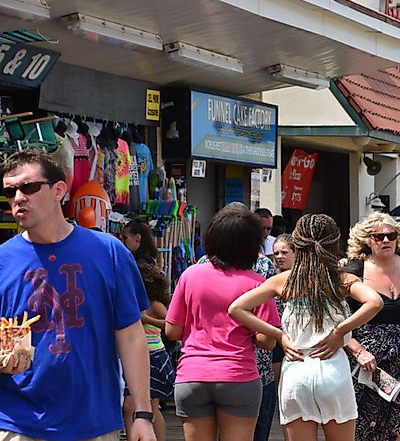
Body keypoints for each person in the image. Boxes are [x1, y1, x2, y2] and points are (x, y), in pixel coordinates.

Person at [0, 149, 154, 441]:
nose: (19, 197)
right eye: (10, 191)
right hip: (17, 422)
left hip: (93, 421)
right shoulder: (3, 261)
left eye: (29, 187)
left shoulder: (109, 252)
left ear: (59, 190)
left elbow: (131, 335)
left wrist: (142, 413)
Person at [229, 213, 383, 441]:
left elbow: (236, 308)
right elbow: (375, 302)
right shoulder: (341, 280)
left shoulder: (284, 280)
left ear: (298, 243)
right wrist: (339, 331)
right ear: (333, 242)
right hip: (333, 372)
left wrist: (279, 335)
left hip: (296, 371)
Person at [165, 203, 280, 441]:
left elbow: (172, 331)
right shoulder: (258, 284)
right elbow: (266, 342)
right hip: (238, 376)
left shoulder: (190, 275)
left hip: (192, 376)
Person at [342, 213, 400, 441]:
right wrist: (358, 351)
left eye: (391, 235)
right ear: (367, 240)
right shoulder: (354, 271)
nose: (386, 240)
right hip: (370, 364)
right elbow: (338, 321)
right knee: (369, 426)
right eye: (379, 236)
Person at [123, 263, 175, 441]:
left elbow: (171, 325)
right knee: (130, 406)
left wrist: (147, 319)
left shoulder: (154, 304)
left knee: (150, 407)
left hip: (154, 356)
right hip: (137, 357)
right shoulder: (133, 303)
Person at [270, 234, 294, 390]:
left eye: (284, 252)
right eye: (276, 253)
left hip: (297, 338)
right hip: (275, 336)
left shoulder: (303, 278)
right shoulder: (270, 277)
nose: (279, 256)